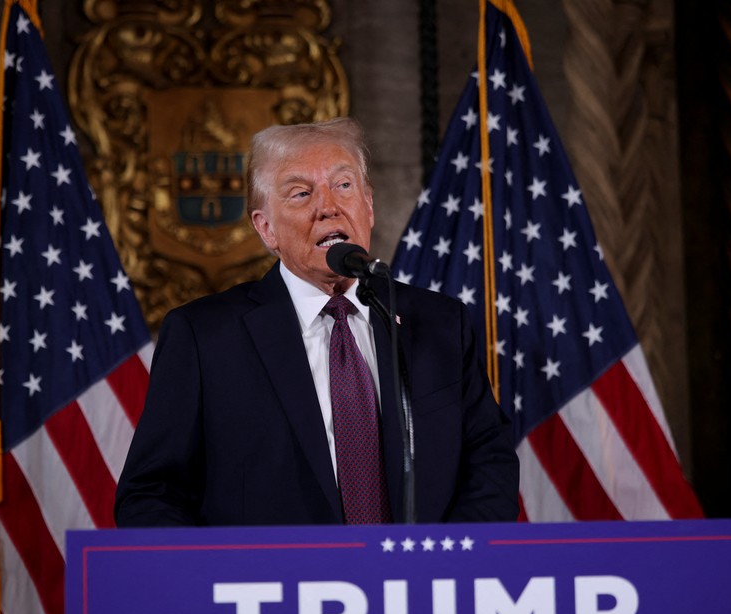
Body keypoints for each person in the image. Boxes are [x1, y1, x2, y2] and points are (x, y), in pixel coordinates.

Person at [114, 118, 519, 526]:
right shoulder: (205, 338)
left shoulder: (439, 322)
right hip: (271, 585)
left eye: (344, 186)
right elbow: (151, 494)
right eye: (301, 193)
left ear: (370, 205)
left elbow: (489, 459)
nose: (328, 206)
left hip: (420, 581)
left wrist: (450, 563)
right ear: (266, 228)